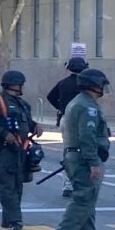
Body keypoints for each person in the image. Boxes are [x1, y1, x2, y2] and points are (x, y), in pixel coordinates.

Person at [51, 68, 112, 230]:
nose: (103, 88)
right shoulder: (87, 107)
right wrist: (93, 162)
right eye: (101, 84)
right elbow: (87, 136)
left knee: (88, 197)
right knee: (83, 199)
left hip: (75, 156)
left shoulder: (79, 103)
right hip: (83, 158)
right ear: (94, 85)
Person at [0, 70, 42, 230]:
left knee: (17, 187)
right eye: (19, 83)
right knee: (7, 187)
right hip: (3, 151)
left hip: (20, 151)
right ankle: (16, 220)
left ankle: (8, 220)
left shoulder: (22, 104)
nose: (21, 86)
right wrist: (4, 134)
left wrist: (35, 125)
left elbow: (27, 123)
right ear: (13, 84)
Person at [47, 57, 89, 198]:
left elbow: (50, 96)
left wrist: (61, 107)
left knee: (69, 150)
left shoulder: (63, 83)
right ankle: (82, 182)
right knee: (87, 150)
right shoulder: (86, 84)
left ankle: (68, 184)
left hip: (66, 118)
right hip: (83, 120)